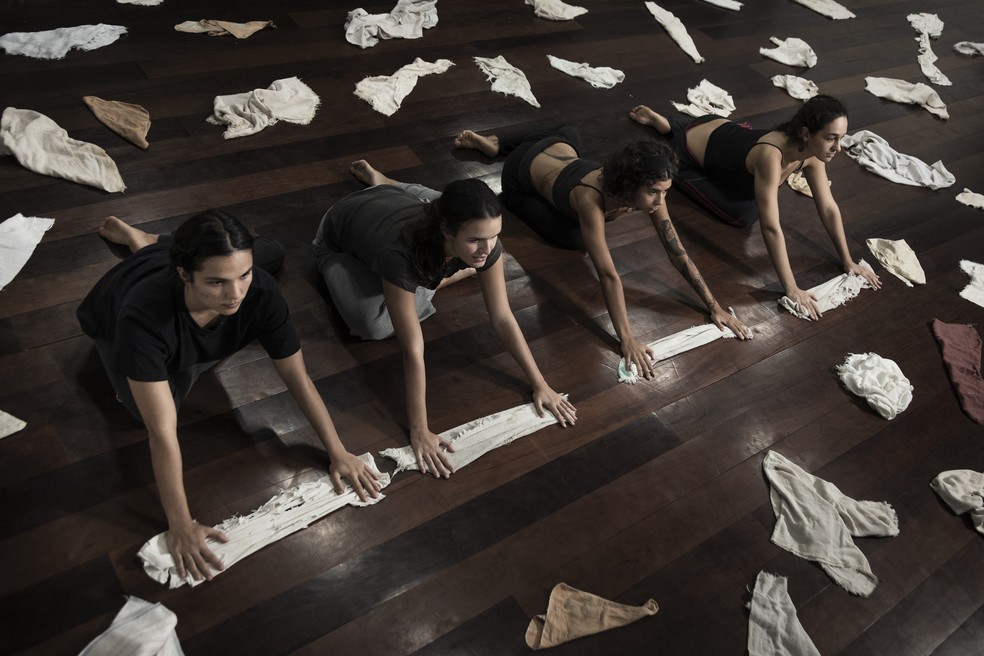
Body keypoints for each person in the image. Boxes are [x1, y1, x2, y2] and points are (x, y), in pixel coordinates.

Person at [77, 212, 381, 583]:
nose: (236, 294)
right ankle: (146, 248)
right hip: (117, 304)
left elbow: (296, 376)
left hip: (179, 272)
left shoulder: (259, 289)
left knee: (275, 254)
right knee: (145, 412)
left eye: (243, 275)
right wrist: (180, 522)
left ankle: (149, 241)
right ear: (185, 274)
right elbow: (163, 434)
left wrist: (338, 451)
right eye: (218, 282)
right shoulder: (142, 316)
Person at [313, 161, 577, 477]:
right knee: (374, 325)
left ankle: (387, 181)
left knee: (455, 208)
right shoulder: (400, 253)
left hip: (396, 204)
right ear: (446, 231)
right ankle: (434, 276)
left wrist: (541, 383)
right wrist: (419, 430)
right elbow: (413, 349)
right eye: (476, 240)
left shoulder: (482, 241)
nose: (487, 249)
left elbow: (503, 317)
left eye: (494, 236)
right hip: (338, 234)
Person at [453, 125, 750, 380]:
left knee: (569, 131)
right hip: (518, 177)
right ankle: (499, 145)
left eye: (665, 192)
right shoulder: (590, 198)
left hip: (554, 149)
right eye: (653, 192)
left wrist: (714, 306)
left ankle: (498, 143)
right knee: (575, 238)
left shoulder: (650, 191)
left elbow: (675, 249)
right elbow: (607, 275)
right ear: (630, 185)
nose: (660, 201)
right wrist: (628, 339)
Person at [628, 95, 881, 320]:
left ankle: (673, 124)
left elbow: (828, 207)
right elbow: (771, 228)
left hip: (718, 127)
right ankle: (676, 131)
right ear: (805, 134)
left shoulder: (813, 153)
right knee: (745, 215)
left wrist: (848, 261)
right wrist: (791, 288)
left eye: (841, 138)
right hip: (689, 152)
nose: (838, 147)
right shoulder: (771, 155)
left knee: (749, 194)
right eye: (831, 138)